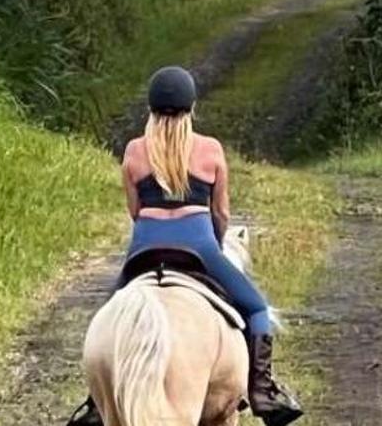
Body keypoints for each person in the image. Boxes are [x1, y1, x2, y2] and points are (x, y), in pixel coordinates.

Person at [67, 66, 304, 426]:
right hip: (200, 247)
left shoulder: (133, 151)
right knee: (256, 308)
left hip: (144, 249)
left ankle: (97, 405)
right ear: (191, 109)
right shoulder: (210, 150)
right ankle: (263, 392)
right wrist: (213, 239)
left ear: (150, 110)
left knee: (109, 314)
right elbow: (221, 212)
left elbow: (135, 211)